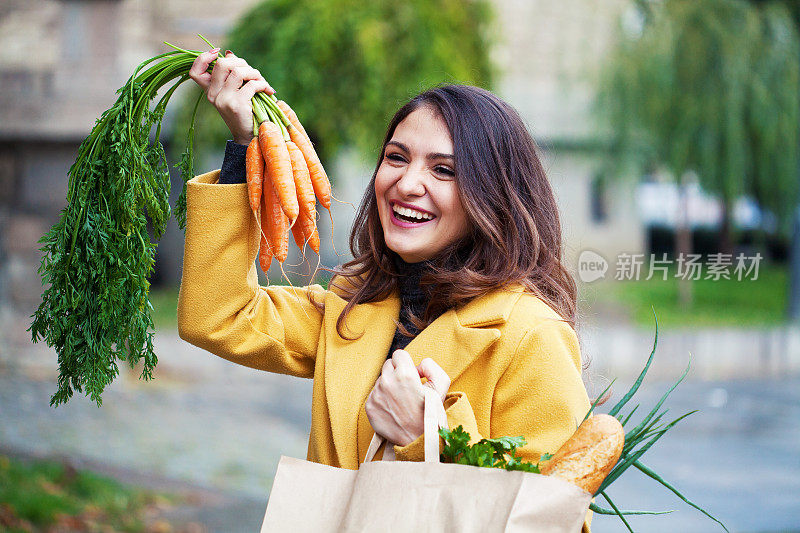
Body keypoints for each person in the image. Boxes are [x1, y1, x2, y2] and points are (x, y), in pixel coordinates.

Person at [179, 49, 593, 531]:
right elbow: (219, 316)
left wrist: (428, 437)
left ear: (495, 195)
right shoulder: (356, 305)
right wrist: (246, 146)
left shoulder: (531, 336)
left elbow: (552, 521)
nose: (407, 183)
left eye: (444, 170)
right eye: (396, 158)